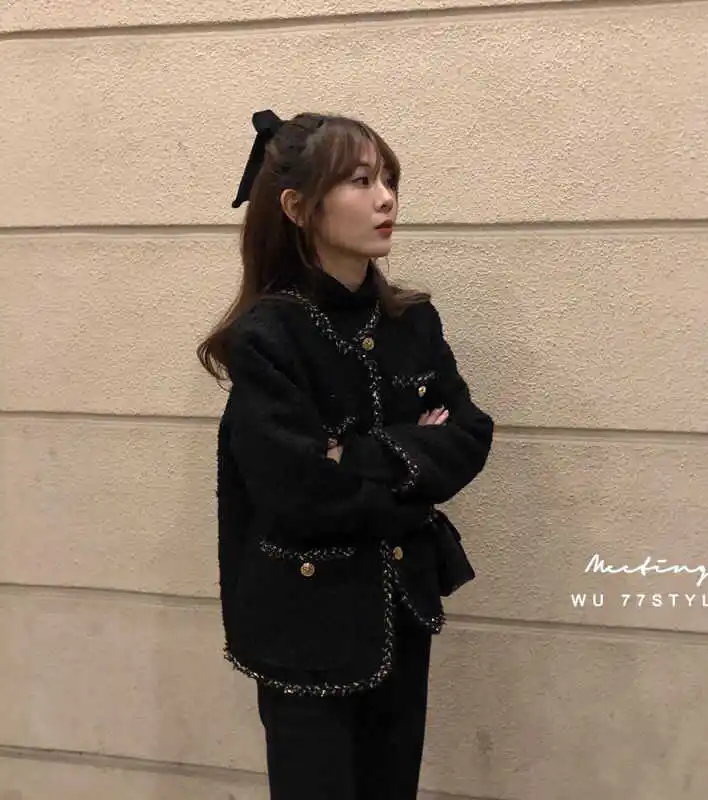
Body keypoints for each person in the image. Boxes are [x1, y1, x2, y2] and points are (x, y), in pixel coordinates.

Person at [196, 108, 494, 800]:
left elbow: (470, 435)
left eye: (389, 179)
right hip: (304, 627)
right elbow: (297, 493)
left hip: (402, 609)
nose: (386, 199)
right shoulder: (269, 337)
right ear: (298, 207)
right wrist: (414, 457)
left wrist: (352, 454)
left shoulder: (411, 322)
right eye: (361, 181)